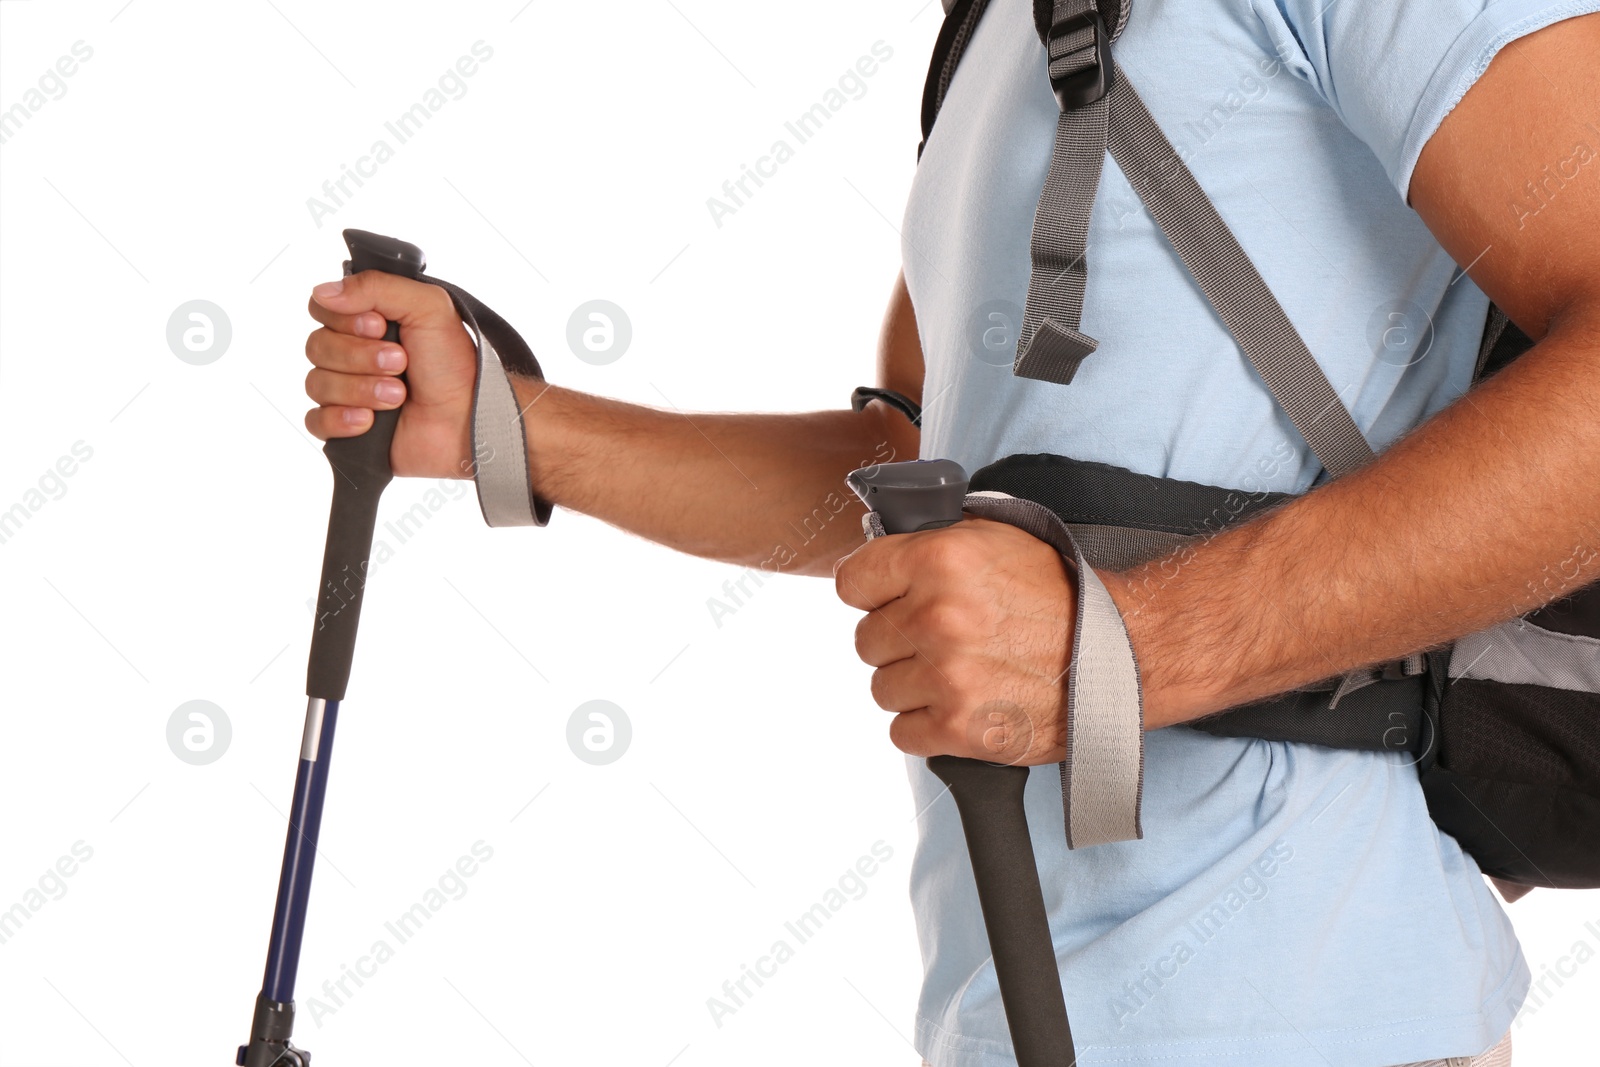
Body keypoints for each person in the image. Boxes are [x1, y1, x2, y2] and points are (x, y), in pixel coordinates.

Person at [300, 2, 1600, 1063]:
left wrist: (1127, 648)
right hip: (1012, 1006)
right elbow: (918, 471)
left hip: (1322, 1012)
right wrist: (518, 427)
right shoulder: (990, 30)